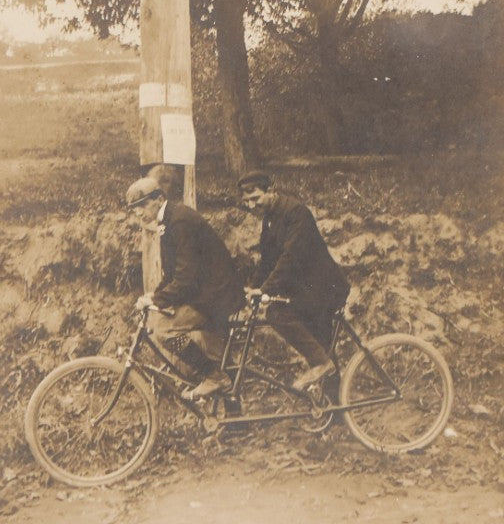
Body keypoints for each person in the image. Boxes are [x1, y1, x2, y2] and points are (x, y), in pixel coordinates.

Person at [126, 170, 244, 399]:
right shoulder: (168, 220)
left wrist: (158, 299)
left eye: (142, 205)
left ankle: (214, 377)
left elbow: (185, 277)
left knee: (166, 331)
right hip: (206, 292)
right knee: (215, 350)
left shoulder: (179, 220)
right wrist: (155, 295)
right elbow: (172, 273)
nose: (138, 213)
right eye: (134, 209)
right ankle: (234, 420)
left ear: (159, 199)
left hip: (216, 295)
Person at [238, 169, 349, 391]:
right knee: (321, 343)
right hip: (307, 289)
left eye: (255, 198)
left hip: (325, 288)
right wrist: (253, 288)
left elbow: (291, 256)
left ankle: (322, 365)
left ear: (272, 191)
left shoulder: (296, 213)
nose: (251, 206)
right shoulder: (270, 217)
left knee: (278, 314)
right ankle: (334, 409)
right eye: (246, 201)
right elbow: (268, 259)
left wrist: (267, 288)